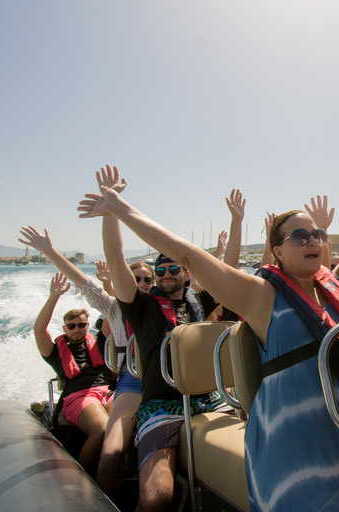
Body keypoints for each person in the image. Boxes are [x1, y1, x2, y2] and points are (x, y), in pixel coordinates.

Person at [77, 107, 339, 512]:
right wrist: (118, 208)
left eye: (317, 234)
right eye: (300, 235)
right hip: (297, 453)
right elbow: (188, 253)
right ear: (278, 251)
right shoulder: (260, 296)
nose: (313, 240)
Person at [92, 167, 228, 512]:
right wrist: (111, 211)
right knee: (156, 498)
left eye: (173, 269)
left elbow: (227, 270)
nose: (166, 275)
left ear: (186, 273)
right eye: (160, 271)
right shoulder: (142, 307)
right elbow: (115, 261)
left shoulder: (201, 301)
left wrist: (235, 224)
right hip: (159, 406)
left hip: (207, 400)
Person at [18, 225, 154, 502]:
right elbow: (86, 284)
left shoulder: (161, 308)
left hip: (119, 387)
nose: (141, 284)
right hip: (106, 389)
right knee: (107, 433)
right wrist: (49, 251)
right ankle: (79, 488)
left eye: (146, 280)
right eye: (135, 279)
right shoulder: (114, 311)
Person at [33, 273, 115, 476]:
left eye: (81, 325)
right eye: (71, 326)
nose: (76, 329)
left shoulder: (101, 341)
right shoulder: (54, 352)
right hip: (79, 395)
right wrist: (54, 296)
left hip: (109, 390)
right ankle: (79, 480)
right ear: (64, 328)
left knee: (125, 425)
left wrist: (107, 283)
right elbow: (39, 330)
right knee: (102, 429)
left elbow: (112, 313)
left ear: (88, 325)